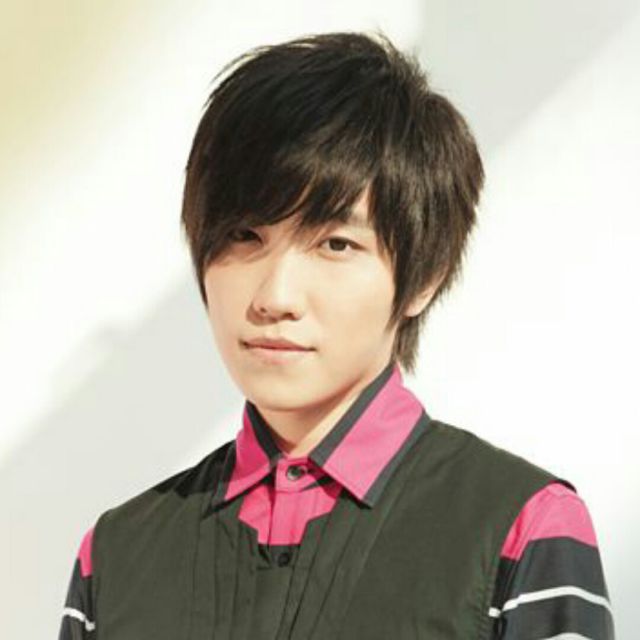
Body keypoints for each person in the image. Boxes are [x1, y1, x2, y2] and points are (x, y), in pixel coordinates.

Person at [58, 30, 615, 639]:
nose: (275, 297)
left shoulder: (522, 528)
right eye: (244, 235)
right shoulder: (115, 557)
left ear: (425, 276)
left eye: (335, 244)